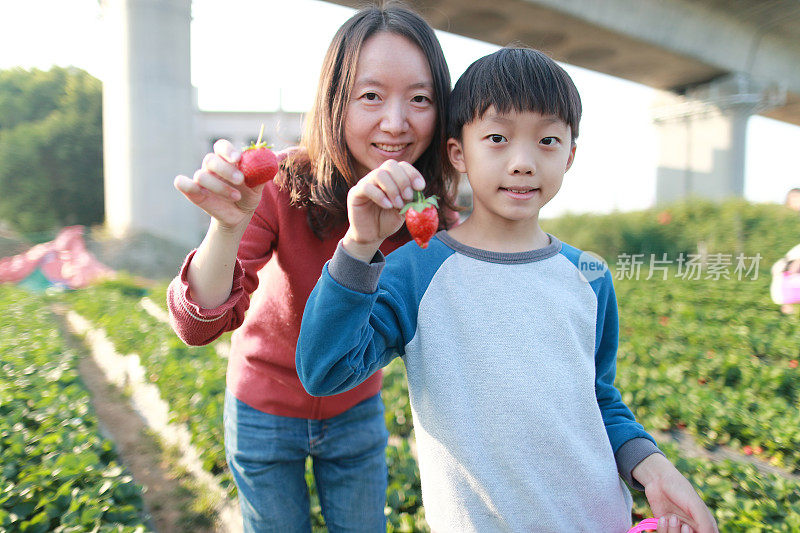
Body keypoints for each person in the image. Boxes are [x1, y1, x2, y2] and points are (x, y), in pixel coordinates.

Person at [296, 47, 719, 533]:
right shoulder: (415, 272)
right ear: (458, 152)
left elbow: (598, 399)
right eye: (497, 138)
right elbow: (324, 370)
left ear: (571, 154)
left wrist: (652, 467)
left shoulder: (590, 275)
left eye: (547, 140)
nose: (522, 162)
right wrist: (359, 245)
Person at [166, 4, 459, 531]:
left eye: (420, 99)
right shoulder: (279, 184)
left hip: (356, 409)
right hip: (263, 409)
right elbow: (196, 323)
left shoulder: (429, 213)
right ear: (333, 103)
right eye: (370, 96)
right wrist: (227, 228)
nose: (396, 123)